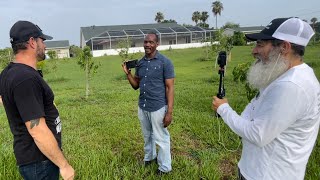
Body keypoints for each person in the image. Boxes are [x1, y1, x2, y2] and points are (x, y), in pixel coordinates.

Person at [212, 17, 320, 180]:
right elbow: (252, 112)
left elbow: (258, 135)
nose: (253, 51)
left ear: (284, 47)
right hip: (256, 170)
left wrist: (223, 109)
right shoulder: (281, 76)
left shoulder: (292, 86)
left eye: (260, 45)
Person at [0, 20, 74, 180]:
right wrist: (64, 165)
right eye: (42, 41)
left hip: (34, 160)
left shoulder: (9, 72)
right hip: (39, 162)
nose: (45, 46)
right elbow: (37, 129)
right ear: (32, 42)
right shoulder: (24, 78)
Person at [122, 32, 175, 175]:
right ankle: (150, 158)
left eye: (151, 42)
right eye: (145, 42)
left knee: (161, 138)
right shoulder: (141, 63)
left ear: (157, 44)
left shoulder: (165, 62)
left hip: (158, 106)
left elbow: (170, 88)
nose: (147, 45)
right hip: (143, 106)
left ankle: (165, 168)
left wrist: (169, 112)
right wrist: (128, 74)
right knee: (147, 136)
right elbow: (136, 85)